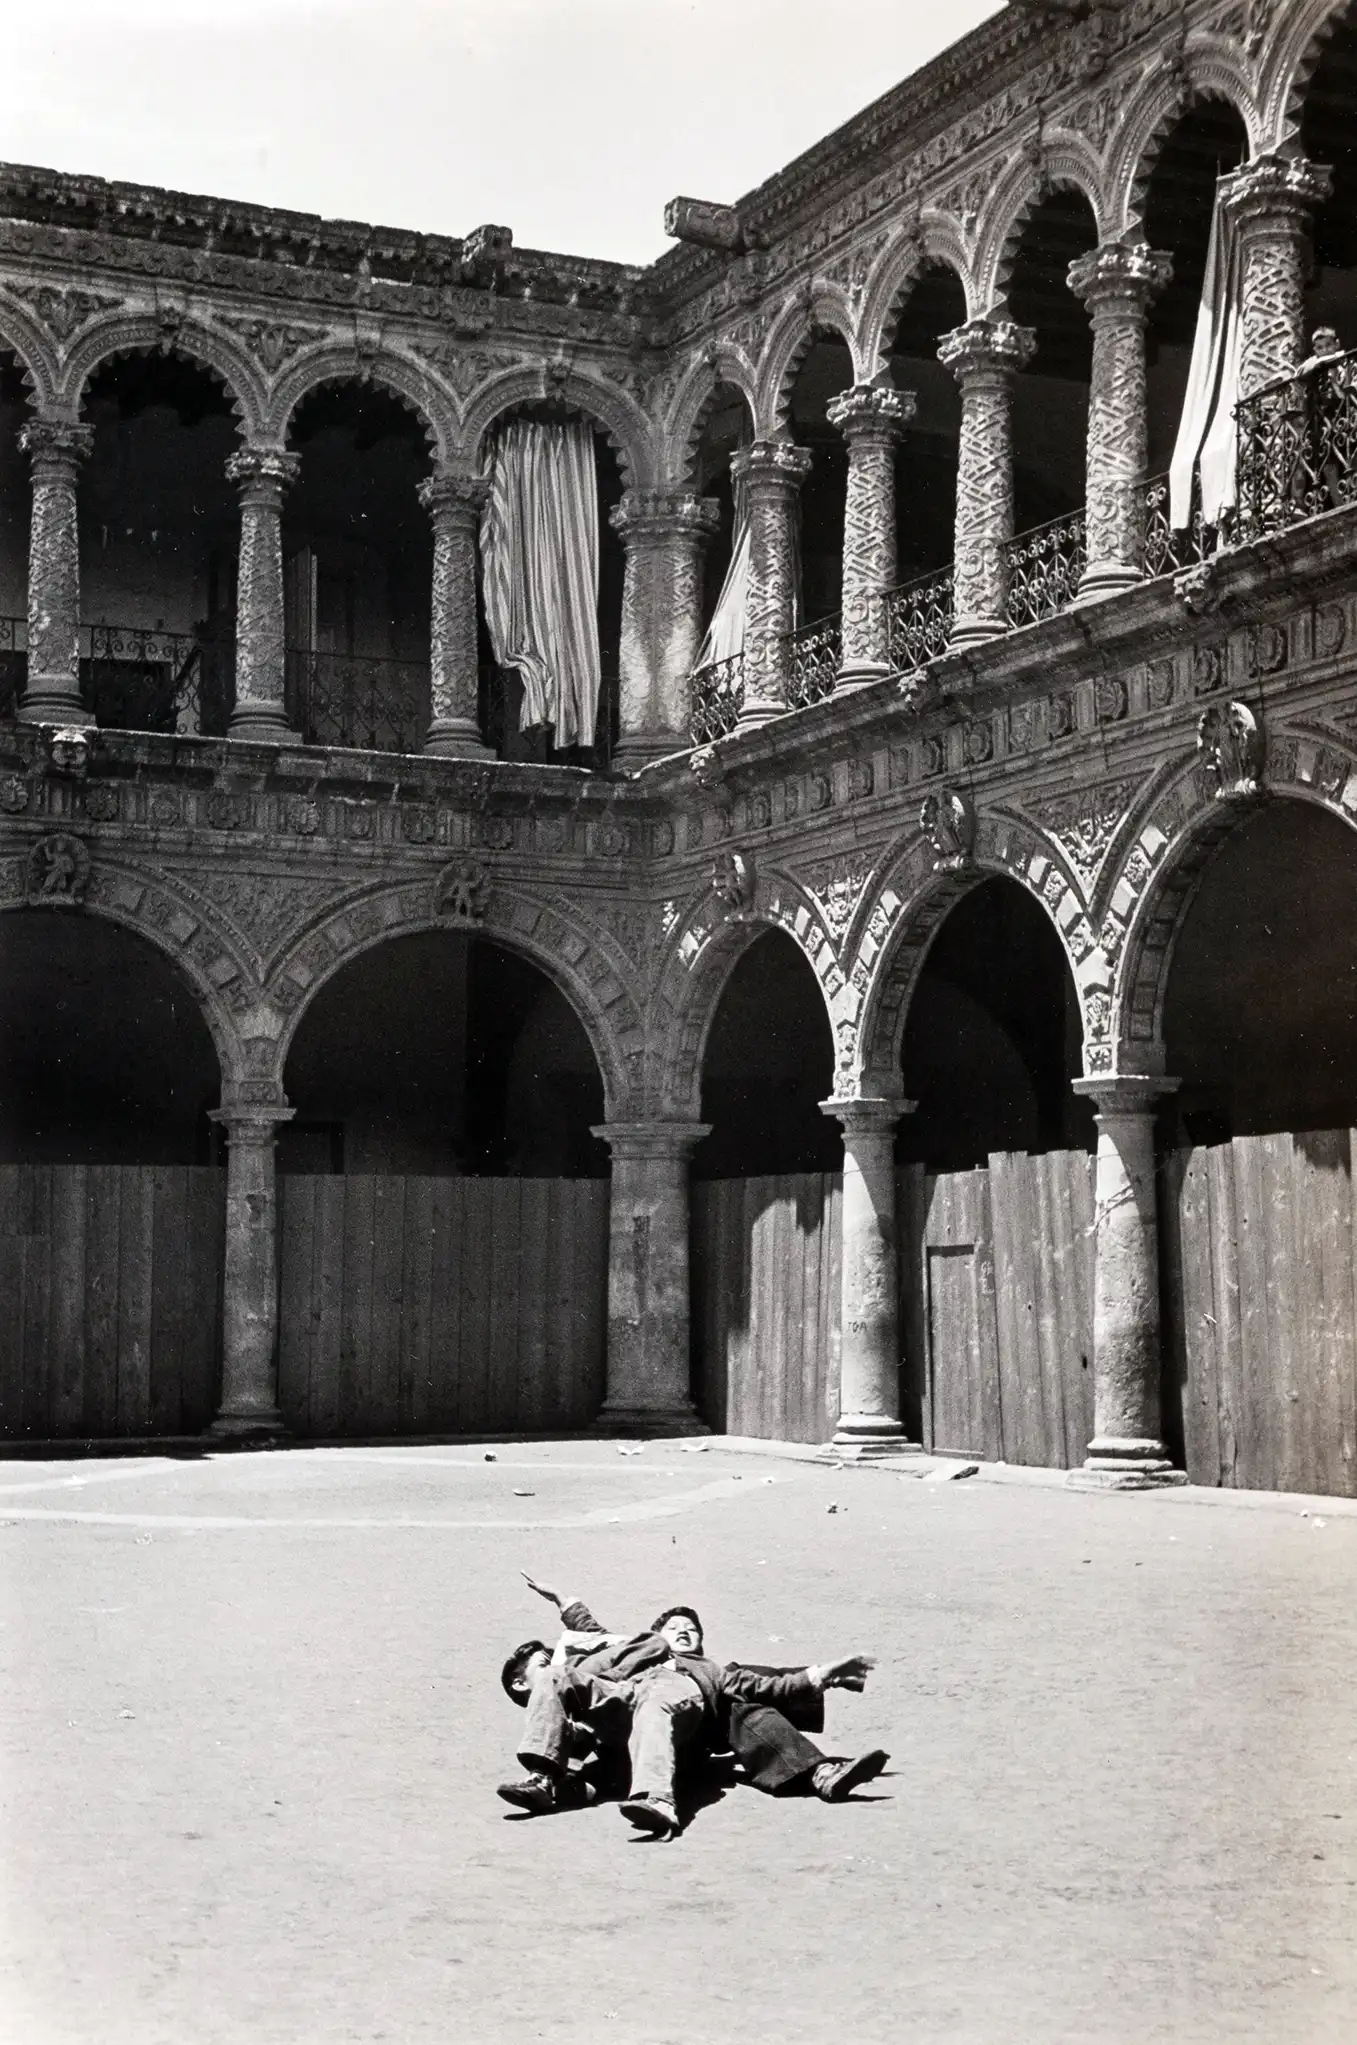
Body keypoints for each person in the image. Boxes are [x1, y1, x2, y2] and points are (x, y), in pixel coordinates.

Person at [498, 1577, 886, 1839]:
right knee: (555, 1675)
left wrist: (821, 1675)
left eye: (693, 1629)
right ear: (654, 1634)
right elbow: (594, 1632)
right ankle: (542, 1780)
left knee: (741, 1706)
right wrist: (565, 1601)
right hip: (623, 1705)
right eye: (675, 1627)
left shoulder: (713, 1671)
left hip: (682, 1714)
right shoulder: (634, 1648)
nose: (684, 1631)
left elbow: (769, 1685)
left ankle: (659, 1801)